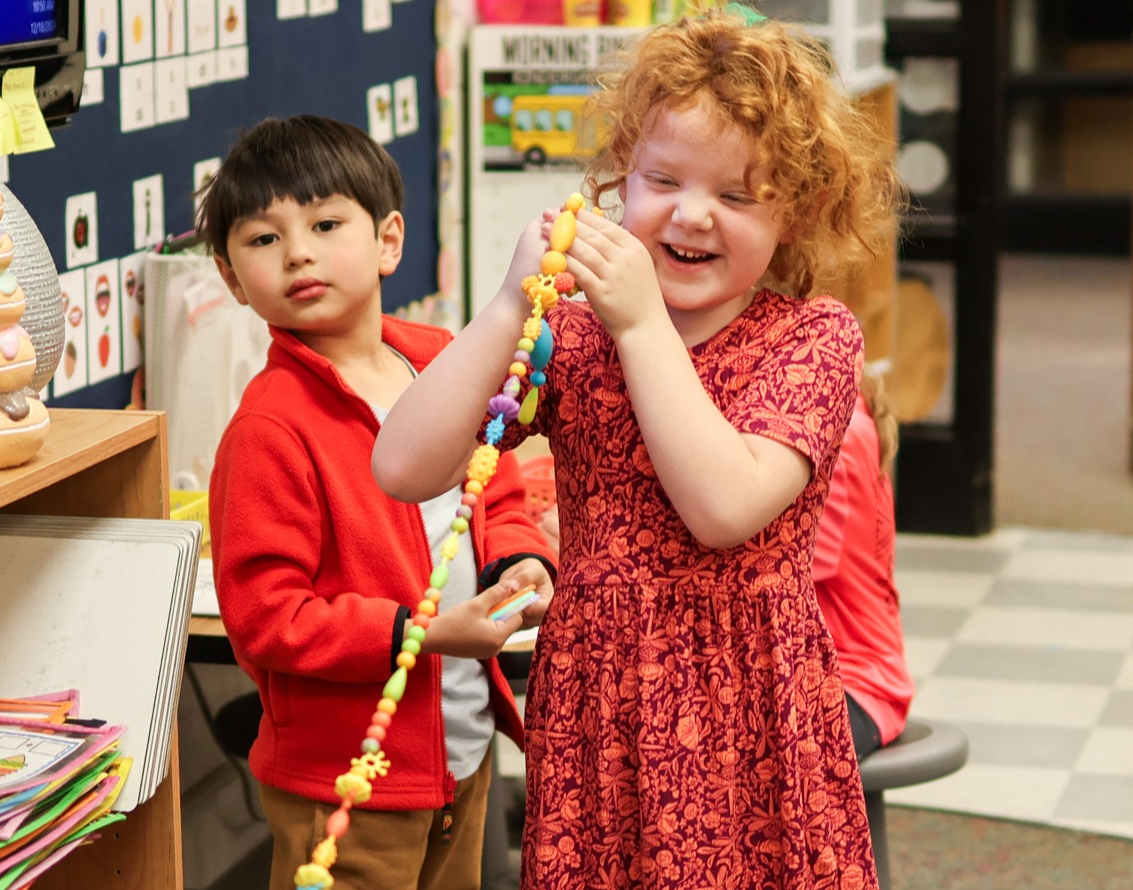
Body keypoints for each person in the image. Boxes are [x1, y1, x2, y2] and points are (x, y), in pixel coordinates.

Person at [370, 8, 901, 888]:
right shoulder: (572, 338)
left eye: (736, 195)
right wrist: (508, 305)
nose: (692, 214)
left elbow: (723, 508)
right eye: (664, 179)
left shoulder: (814, 340)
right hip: (600, 702)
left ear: (797, 214)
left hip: (750, 707)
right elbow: (403, 468)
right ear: (622, 180)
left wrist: (639, 320)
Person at [199, 115, 556, 890]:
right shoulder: (269, 427)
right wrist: (419, 635)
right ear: (231, 279)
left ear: (389, 240)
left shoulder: (441, 359)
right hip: (344, 782)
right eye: (263, 240)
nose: (297, 252)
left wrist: (522, 560)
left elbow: (497, 482)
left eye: (326, 224)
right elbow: (268, 619)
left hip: (460, 749)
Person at [814, 374, 915, 760]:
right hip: (836, 671)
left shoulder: (835, 433)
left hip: (855, 681)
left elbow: (782, 575)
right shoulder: (847, 411)